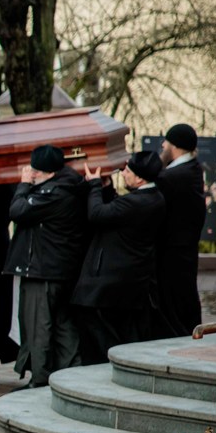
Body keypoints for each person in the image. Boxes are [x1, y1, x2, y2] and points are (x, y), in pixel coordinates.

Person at [5, 145, 89, 389]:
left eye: (34, 170)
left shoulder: (53, 192)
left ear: (48, 173)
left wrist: (23, 185)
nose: (31, 173)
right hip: (60, 271)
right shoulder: (70, 186)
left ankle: (40, 378)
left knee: (38, 326)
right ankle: (72, 372)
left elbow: (17, 211)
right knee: (62, 325)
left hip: (43, 271)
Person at [72, 152, 166, 364]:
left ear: (140, 178)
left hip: (113, 279)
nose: (123, 174)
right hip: (129, 279)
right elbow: (116, 211)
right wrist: (106, 187)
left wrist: (95, 184)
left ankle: (112, 362)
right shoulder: (153, 198)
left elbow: (97, 214)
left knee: (99, 325)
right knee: (123, 328)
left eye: (128, 171)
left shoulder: (138, 202)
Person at [154, 124, 207, 338]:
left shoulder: (172, 176)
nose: (163, 145)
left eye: (166, 142)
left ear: (174, 145)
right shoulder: (192, 169)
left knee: (174, 307)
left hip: (172, 254)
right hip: (184, 252)